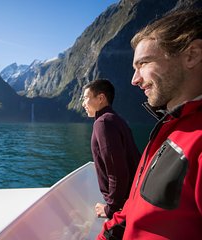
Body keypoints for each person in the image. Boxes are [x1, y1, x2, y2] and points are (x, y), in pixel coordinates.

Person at [98, 9, 202, 239]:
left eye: (143, 63)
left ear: (191, 55)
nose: (134, 80)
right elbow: (134, 209)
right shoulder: (170, 129)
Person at [81, 79, 140, 219]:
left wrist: (110, 209)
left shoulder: (103, 123)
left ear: (101, 98)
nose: (83, 104)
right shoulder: (116, 119)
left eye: (85, 98)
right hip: (132, 199)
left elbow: (117, 171)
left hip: (121, 207)